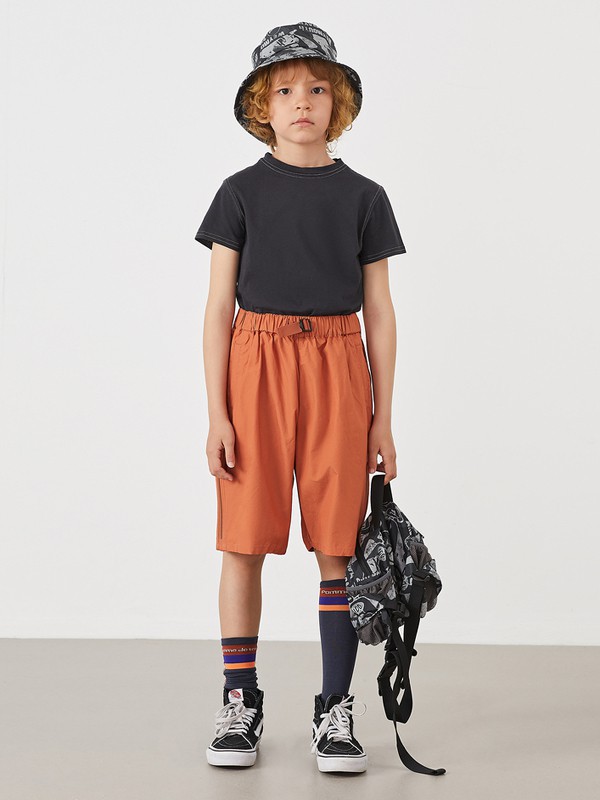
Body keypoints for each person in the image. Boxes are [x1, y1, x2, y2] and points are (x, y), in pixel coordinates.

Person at [195, 21, 406, 773]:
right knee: (243, 538)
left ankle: (334, 708)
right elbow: (218, 308)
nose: (302, 102)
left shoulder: (365, 197)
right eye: (284, 90)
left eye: (318, 88)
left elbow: (379, 311)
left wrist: (383, 417)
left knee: (337, 543)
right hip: (255, 360)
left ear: (338, 101)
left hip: (338, 363)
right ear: (263, 106)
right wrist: (218, 413)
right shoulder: (239, 193)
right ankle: (240, 699)